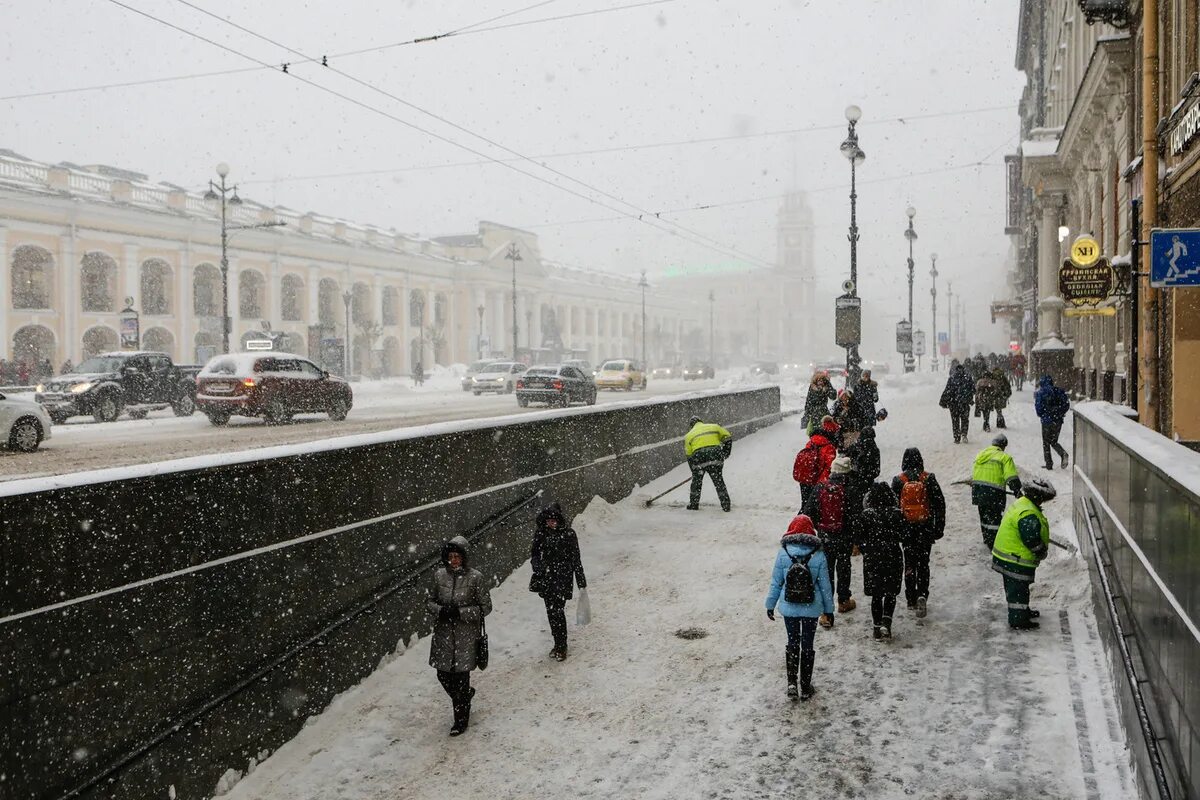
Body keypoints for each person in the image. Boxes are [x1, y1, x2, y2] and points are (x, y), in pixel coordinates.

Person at [426, 535, 492, 736]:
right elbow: (429, 602)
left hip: (465, 637)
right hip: (444, 637)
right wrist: (440, 610)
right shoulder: (439, 576)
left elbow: (485, 607)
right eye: (451, 556)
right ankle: (464, 699)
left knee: (461, 678)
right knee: (443, 675)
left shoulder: (475, 578)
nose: (454, 560)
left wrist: (461, 613)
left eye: (457, 556)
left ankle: (460, 721)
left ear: (464, 558)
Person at [764, 514, 834, 700]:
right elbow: (826, 586)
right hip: (811, 607)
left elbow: (776, 583)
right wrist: (829, 610)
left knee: (792, 642)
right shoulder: (818, 554)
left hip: (789, 606)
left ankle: (791, 683)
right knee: (807, 644)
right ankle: (805, 685)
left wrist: (770, 604)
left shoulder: (783, 553)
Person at [991, 477, 1058, 629]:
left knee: (1019, 589)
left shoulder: (1022, 503)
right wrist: (1040, 551)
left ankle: (1022, 611)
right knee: (1017, 591)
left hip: (1009, 556)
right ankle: (1018, 620)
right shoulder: (1028, 512)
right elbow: (1031, 539)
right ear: (1038, 497)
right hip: (1014, 559)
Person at [889, 448, 946, 617]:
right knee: (923, 563)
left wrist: (896, 530)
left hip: (907, 530)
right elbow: (939, 505)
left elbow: (893, 508)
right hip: (925, 528)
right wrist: (938, 528)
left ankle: (911, 597)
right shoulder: (928, 478)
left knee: (909, 563)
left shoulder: (899, 480)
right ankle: (922, 593)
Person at [529, 503, 587, 661]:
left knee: (557, 611)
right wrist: (537, 567)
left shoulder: (569, 534)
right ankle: (557, 643)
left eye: (554, 520)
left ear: (559, 520)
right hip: (546, 579)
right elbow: (534, 554)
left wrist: (581, 581)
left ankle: (562, 645)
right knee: (551, 612)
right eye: (549, 520)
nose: (551, 523)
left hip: (563, 578)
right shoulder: (541, 534)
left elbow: (576, 559)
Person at [802, 455, 857, 615]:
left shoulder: (820, 488)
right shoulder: (850, 489)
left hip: (825, 536)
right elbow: (855, 516)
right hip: (844, 536)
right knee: (844, 567)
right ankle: (844, 601)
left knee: (826, 572)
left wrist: (820, 526)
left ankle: (826, 612)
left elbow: (808, 513)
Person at [857, 482, 905, 640]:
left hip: (873, 557)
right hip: (892, 555)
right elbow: (904, 535)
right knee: (891, 592)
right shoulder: (897, 514)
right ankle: (887, 622)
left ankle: (877, 627)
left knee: (876, 595)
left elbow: (859, 537)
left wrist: (866, 549)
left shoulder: (866, 515)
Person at [972, 434, 1022, 550]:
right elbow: (1011, 477)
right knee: (994, 518)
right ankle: (993, 543)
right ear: (1003, 446)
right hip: (993, 493)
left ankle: (986, 538)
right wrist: (1017, 491)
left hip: (979, 491)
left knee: (984, 515)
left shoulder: (981, 454)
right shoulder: (1004, 457)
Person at [684, 415, 733, 512]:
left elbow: (689, 456)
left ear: (691, 426)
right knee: (718, 481)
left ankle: (694, 504)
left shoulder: (688, 435)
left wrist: (695, 471)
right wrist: (725, 453)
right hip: (715, 455)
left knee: (696, 483)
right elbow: (728, 437)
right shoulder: (714, 426)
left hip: (699, 458)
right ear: (701, 421)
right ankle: (726, 505)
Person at [792, 415, 839, 511]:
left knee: (805, 504)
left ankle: (800, 523)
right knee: (815, 508)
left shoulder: (811, 442)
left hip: (805, 478)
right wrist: (822, 483)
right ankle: (807, 523)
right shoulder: (829, 447)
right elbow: (830, 467)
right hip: (817, 481)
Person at [1034, 375, 1071, 470]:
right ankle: (1063, 453)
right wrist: (1059, 413)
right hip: (1058, 421)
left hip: (1047, 421)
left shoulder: (1040, 393)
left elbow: (1039, 410)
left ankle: (1049, 464)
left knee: (1046, 442)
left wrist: (1045, 414)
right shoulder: (1058, 391)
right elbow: (1066, 405)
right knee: (1054, 441)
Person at [939, 362, 975, 444]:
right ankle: (964, 435)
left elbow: (947, 390)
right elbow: (973, 389)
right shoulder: (968, 378)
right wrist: (968, 397)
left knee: (955, 421)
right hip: (964, 403)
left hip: (953, 404)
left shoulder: (952, 378)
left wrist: (943, 401)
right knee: (965, 419)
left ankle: (957, 437)